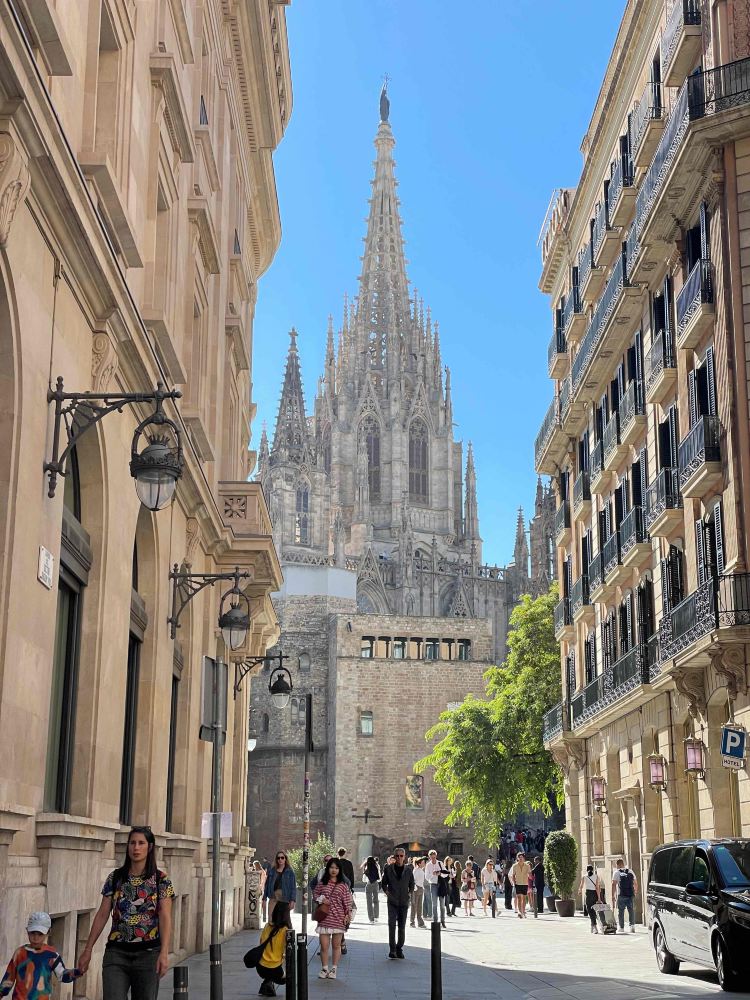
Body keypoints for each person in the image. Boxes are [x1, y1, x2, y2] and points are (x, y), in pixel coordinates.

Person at [77, 826, 174, 999]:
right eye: (132, 843)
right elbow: (102, 914)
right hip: (116, 954)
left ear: (150, 847)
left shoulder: (161, 880)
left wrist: (164, 953)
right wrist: (88, 949)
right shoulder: (115, 878)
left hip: (148, 954)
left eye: (141, 843)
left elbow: (165, 917)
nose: (136, 848)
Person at [1, 912, 82, 998]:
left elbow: (62, 974)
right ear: (27, 931)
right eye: (32, 933)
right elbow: (8, 978)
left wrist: (76, 972)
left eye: (40, 934)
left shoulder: (52, 955)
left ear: (48, 932)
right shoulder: (19, 953)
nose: (36, 938)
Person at [314, 858, 353, 980]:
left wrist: (348, 914)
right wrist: (322, 899)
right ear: (328, 868)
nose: (334, 870)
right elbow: (315, 894)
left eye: (336, 868)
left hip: (338, 919)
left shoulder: (343, 885)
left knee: (336, 946)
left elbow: (347, 902)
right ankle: (324, 968)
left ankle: (334, 969)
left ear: (339, 870)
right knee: (324, 946)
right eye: (332, 867)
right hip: (324, 919)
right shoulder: (322, 882)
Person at [381, 848, 414, 959]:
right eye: (397, 855)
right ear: (394, 857)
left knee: (401, 926)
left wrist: (409, 894)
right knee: (391, 925)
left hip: (404, 902)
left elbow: (412, 884)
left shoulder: (408, 870)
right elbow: (383, 883)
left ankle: (399, 948)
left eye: (401, 856)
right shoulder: (388, 869)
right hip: (392, 901)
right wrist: (388, 894)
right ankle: (392, 949)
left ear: (404, 857)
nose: (399, 858)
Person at [254, 901, 289, 996]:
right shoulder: (286, 930)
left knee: (270, 972)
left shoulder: (267, 926)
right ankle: (268, 982)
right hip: (275, 968)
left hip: (260, 966)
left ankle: (268, 983)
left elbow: (261, 942)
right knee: (285, 978)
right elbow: (288, 950)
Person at [263, 850, 297, 923]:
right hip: (273, 898)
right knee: (271, 920)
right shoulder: (272, 871)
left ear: (285, 859)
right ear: (276, 859)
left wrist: (293, 900)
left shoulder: (290, 872)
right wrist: (264, 899)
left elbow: (293, 887)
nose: (280, 859)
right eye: (278, 858)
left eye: (282, 858)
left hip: (284, 899)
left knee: (283, 921)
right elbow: (267, 885)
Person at [612, 858, 638, 933]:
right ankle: (632, 926)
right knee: (631, 910)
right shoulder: (630, 871)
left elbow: (613, 884)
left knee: (621, 911)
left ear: (617, 865)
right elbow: (635, 883)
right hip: (630, 894)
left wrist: (613, 895)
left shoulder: (616, 872)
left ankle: (621, 927)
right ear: (623, 864)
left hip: (621, 894)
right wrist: (635, 891)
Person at [580, 865, 602, 934]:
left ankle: (594, 926)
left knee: (589, 910)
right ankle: (593, 926)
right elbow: (597, 888)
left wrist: (580, 891)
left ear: (587, 870)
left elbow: (581, 886)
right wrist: (599, 898)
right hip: (594, 894)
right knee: (594, 910)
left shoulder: (584, 876)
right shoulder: (596, 876)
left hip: (588, 894)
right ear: (593, 870)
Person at [510, 851, 531, 919]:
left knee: (524, 898)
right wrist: (514, 882)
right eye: (519, 857)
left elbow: (530, 874)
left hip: (525, 883)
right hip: (518, 883)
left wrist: (530, 877)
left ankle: (523, 911)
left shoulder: (527, 866)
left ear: (523, 858)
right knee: (519, 898)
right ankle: (520, 912)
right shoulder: (514, 866)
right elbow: (513, 875)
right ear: (517, 858)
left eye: (522, 857)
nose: (521, 858)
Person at [360, 856, 381, 922]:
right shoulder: (377, 867)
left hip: (369, 884)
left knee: (369, 902)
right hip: (376, 884)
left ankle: (371, 919)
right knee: (376, 900)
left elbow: (363, 880)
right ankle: (376, 917)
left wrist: (368, 879)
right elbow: (380, 879)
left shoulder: (367, 868)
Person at [410, 858, 426, 928]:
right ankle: (412, 922)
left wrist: (422, 888)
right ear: (419, 864)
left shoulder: (421, 870)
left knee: (419, 907)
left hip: (421, 889)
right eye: (423, 862)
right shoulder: (416, 870)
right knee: (414, 906)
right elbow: (412, 880)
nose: (424, 863)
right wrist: (415, 888)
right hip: (416, 889)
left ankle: (420, 923)